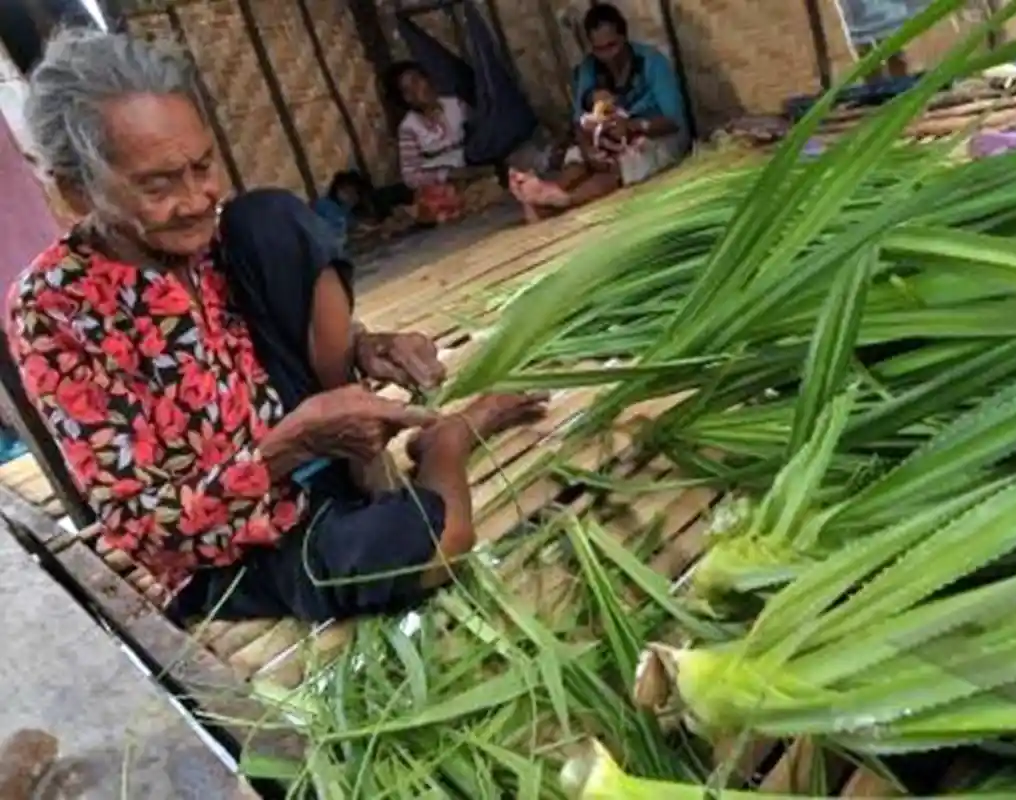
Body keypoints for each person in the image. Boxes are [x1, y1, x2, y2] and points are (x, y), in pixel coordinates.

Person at [9, 29, 547, 623]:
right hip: (235, 541)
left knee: (271, 217)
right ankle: (446, 443)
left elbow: (272, 330)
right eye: (158, 185)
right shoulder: (55, 307)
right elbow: (146, 532)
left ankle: (366, 466)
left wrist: (364, 346)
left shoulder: (213, 236)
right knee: (434, 544)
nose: (195, 200)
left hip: (321, 453)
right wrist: (290, 445)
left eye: (203, 166)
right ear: (77, 191)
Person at [510, 3, 690, 223]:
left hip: (654, 136)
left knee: (620, 165)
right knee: (577, 158)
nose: (608, 55)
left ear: (624, 37)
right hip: (607, 138)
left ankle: (564, 200)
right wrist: (588, 150)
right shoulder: (590, 68)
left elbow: (674, 120)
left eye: (612, 46)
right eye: (599, 49)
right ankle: (546, 194)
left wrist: (634, 126)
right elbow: (579, 121)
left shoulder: (651, 62)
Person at [390, 61, 496, 225]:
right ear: (405, 99)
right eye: (408, 90)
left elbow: (481, 133)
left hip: (472, 167)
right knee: (439, 199)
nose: (417, 89)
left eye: (417, 80)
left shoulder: (455, 105)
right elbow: (410, 175)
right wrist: (446, 174)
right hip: (443, 184)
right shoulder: (409, 127)